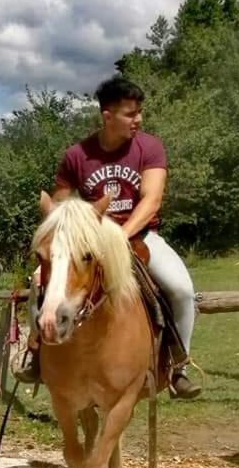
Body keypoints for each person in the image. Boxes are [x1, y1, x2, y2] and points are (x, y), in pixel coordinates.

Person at [51, 75, 200, 398]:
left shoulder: (150, 147)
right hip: (87, 242)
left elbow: (152, 200)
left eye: (139, 112)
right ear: (107, 116)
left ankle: (179, 367)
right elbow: (59, 207)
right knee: (41, 283)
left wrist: (120, 235)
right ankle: (36, 354)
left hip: (141, 236)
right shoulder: (77, 155)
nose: (139, 119)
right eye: (130, 114)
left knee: (182, 290)